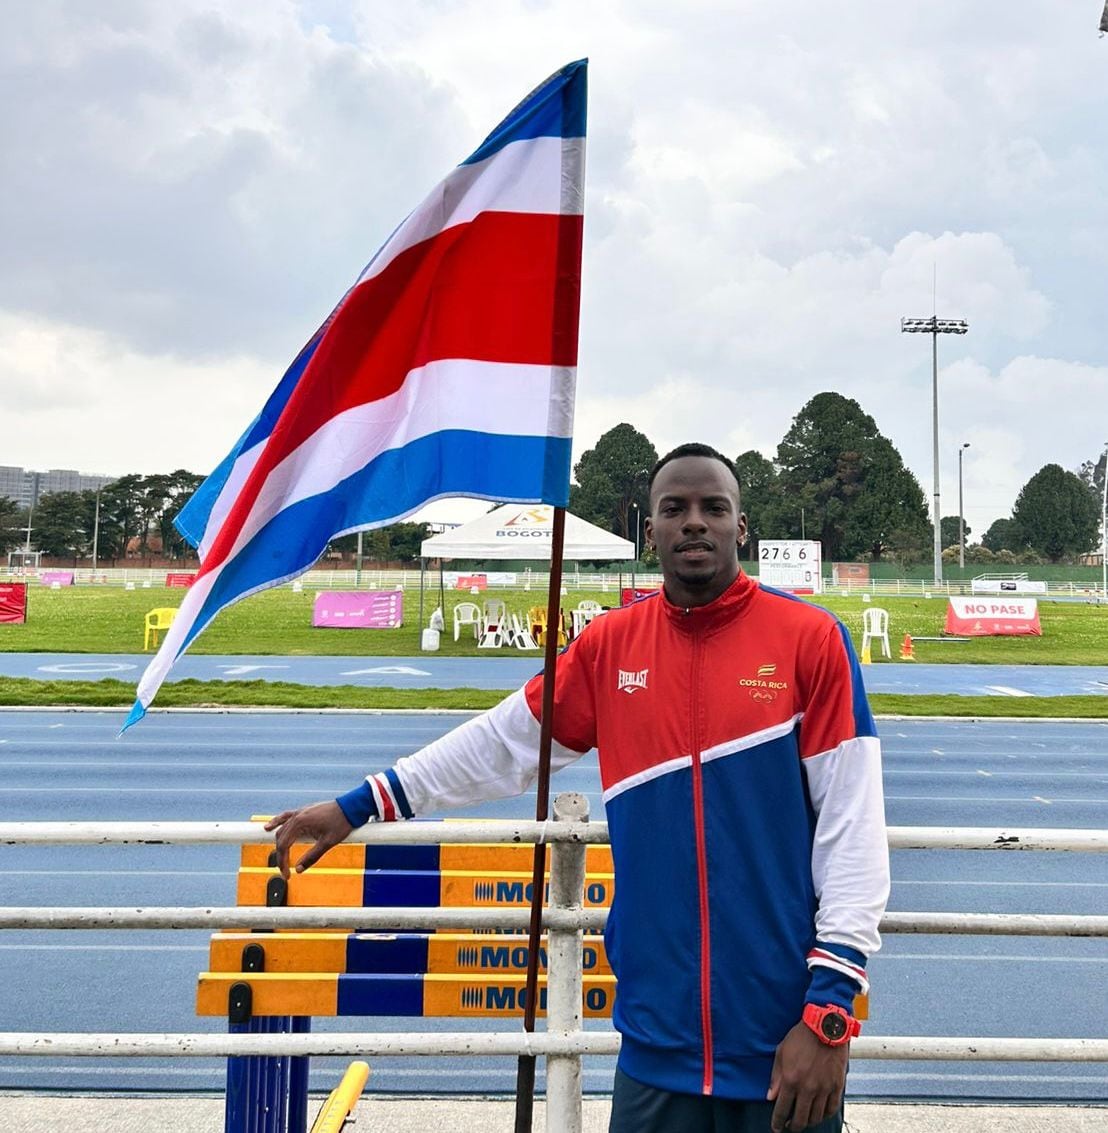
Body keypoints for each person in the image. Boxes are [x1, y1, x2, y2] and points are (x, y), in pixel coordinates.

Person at [267, 443, 890, 1133]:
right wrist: (359, 804)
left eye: (714, 508)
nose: (694, 521)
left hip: (788, 1052)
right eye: (674, 508)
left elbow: (853, 831)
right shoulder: (608, 647)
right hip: (655, 1051)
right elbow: (500, 744)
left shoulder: (812, 640)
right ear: (649, 530)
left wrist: (830, 1013)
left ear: (741, 526)